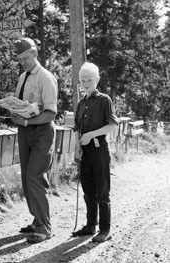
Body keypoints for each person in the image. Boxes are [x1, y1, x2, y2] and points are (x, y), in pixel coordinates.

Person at [11, 37, 58, 244]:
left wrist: (27, 122)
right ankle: (36, 219)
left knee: (34, 177)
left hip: (41, 132)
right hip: (25, 130)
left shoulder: (45, 78)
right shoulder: (23, 77)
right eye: (20, 59)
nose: (24, 62)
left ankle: (44, 227)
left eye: (26, 57)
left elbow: (51, 113)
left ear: (35, 53)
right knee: (26, 178)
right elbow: (23, 105)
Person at [72, 62, 119, 243]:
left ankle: (105, 229)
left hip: (100, 151)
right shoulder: (81, 103)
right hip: (85, 152)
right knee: (88, 190)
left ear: (97, 80)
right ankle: (91, 225)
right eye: (83, 80)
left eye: (89, 80)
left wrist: (91, 135)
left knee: (102, 191)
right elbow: (76, 128)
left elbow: (113, 125)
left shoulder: (104, 100)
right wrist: (77, 147)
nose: (86, 83)